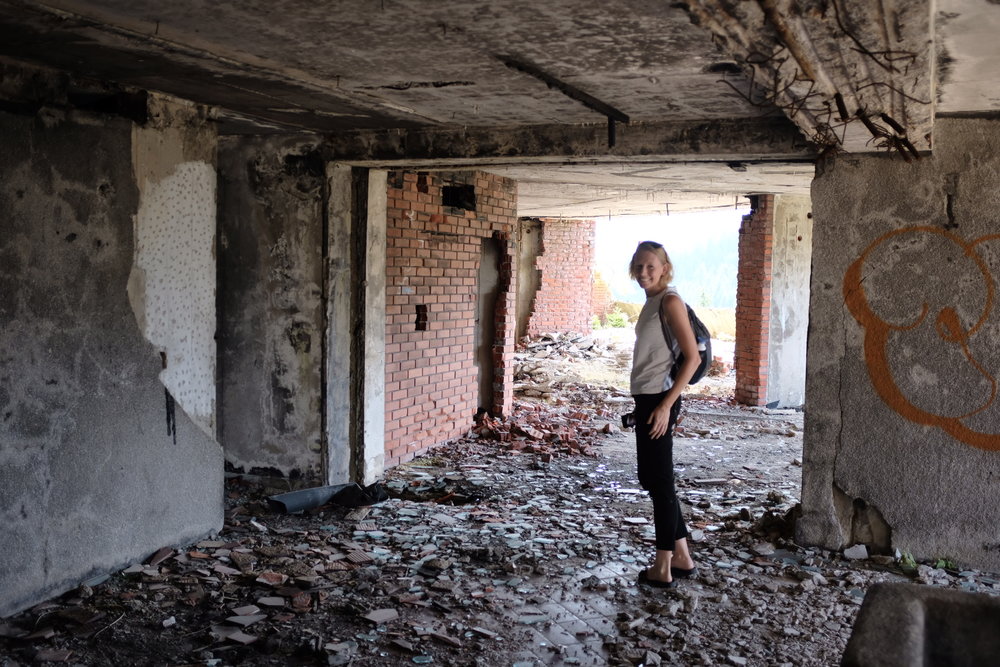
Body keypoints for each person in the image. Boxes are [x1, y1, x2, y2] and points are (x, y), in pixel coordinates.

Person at [628, 240, 700, 588]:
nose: (643, 272)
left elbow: (693, 358)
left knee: (660, 483)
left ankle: (663, 565)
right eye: (639, 266)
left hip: (660, 400)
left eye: (650, 266)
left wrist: (665, 406)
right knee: (654, 479)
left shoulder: (670, 301)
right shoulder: (651, 302)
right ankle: (682, 557)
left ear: (665, 268)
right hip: (649, 399)